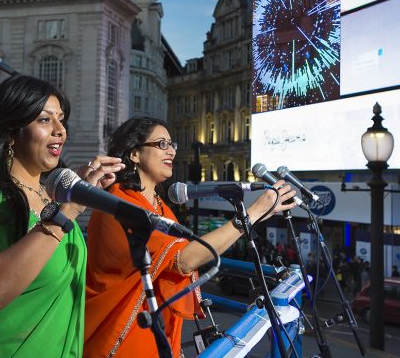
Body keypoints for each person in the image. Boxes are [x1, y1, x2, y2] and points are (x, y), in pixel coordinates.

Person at [84, 117, 297, 357]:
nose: (172, 151)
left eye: (172, 144)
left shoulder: (161, 207)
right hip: (124, 331)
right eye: (162, 144)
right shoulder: (120, 202)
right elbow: (183, 260)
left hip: (154, 327)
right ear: (134, 153)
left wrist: (253, 216)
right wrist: (252, 214)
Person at [0, 74, 124, 357]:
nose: (60, 130)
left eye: (61, 119)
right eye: (44, 119)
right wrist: (68, 211)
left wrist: (71, 193)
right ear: (11, 132)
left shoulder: (47, 196)